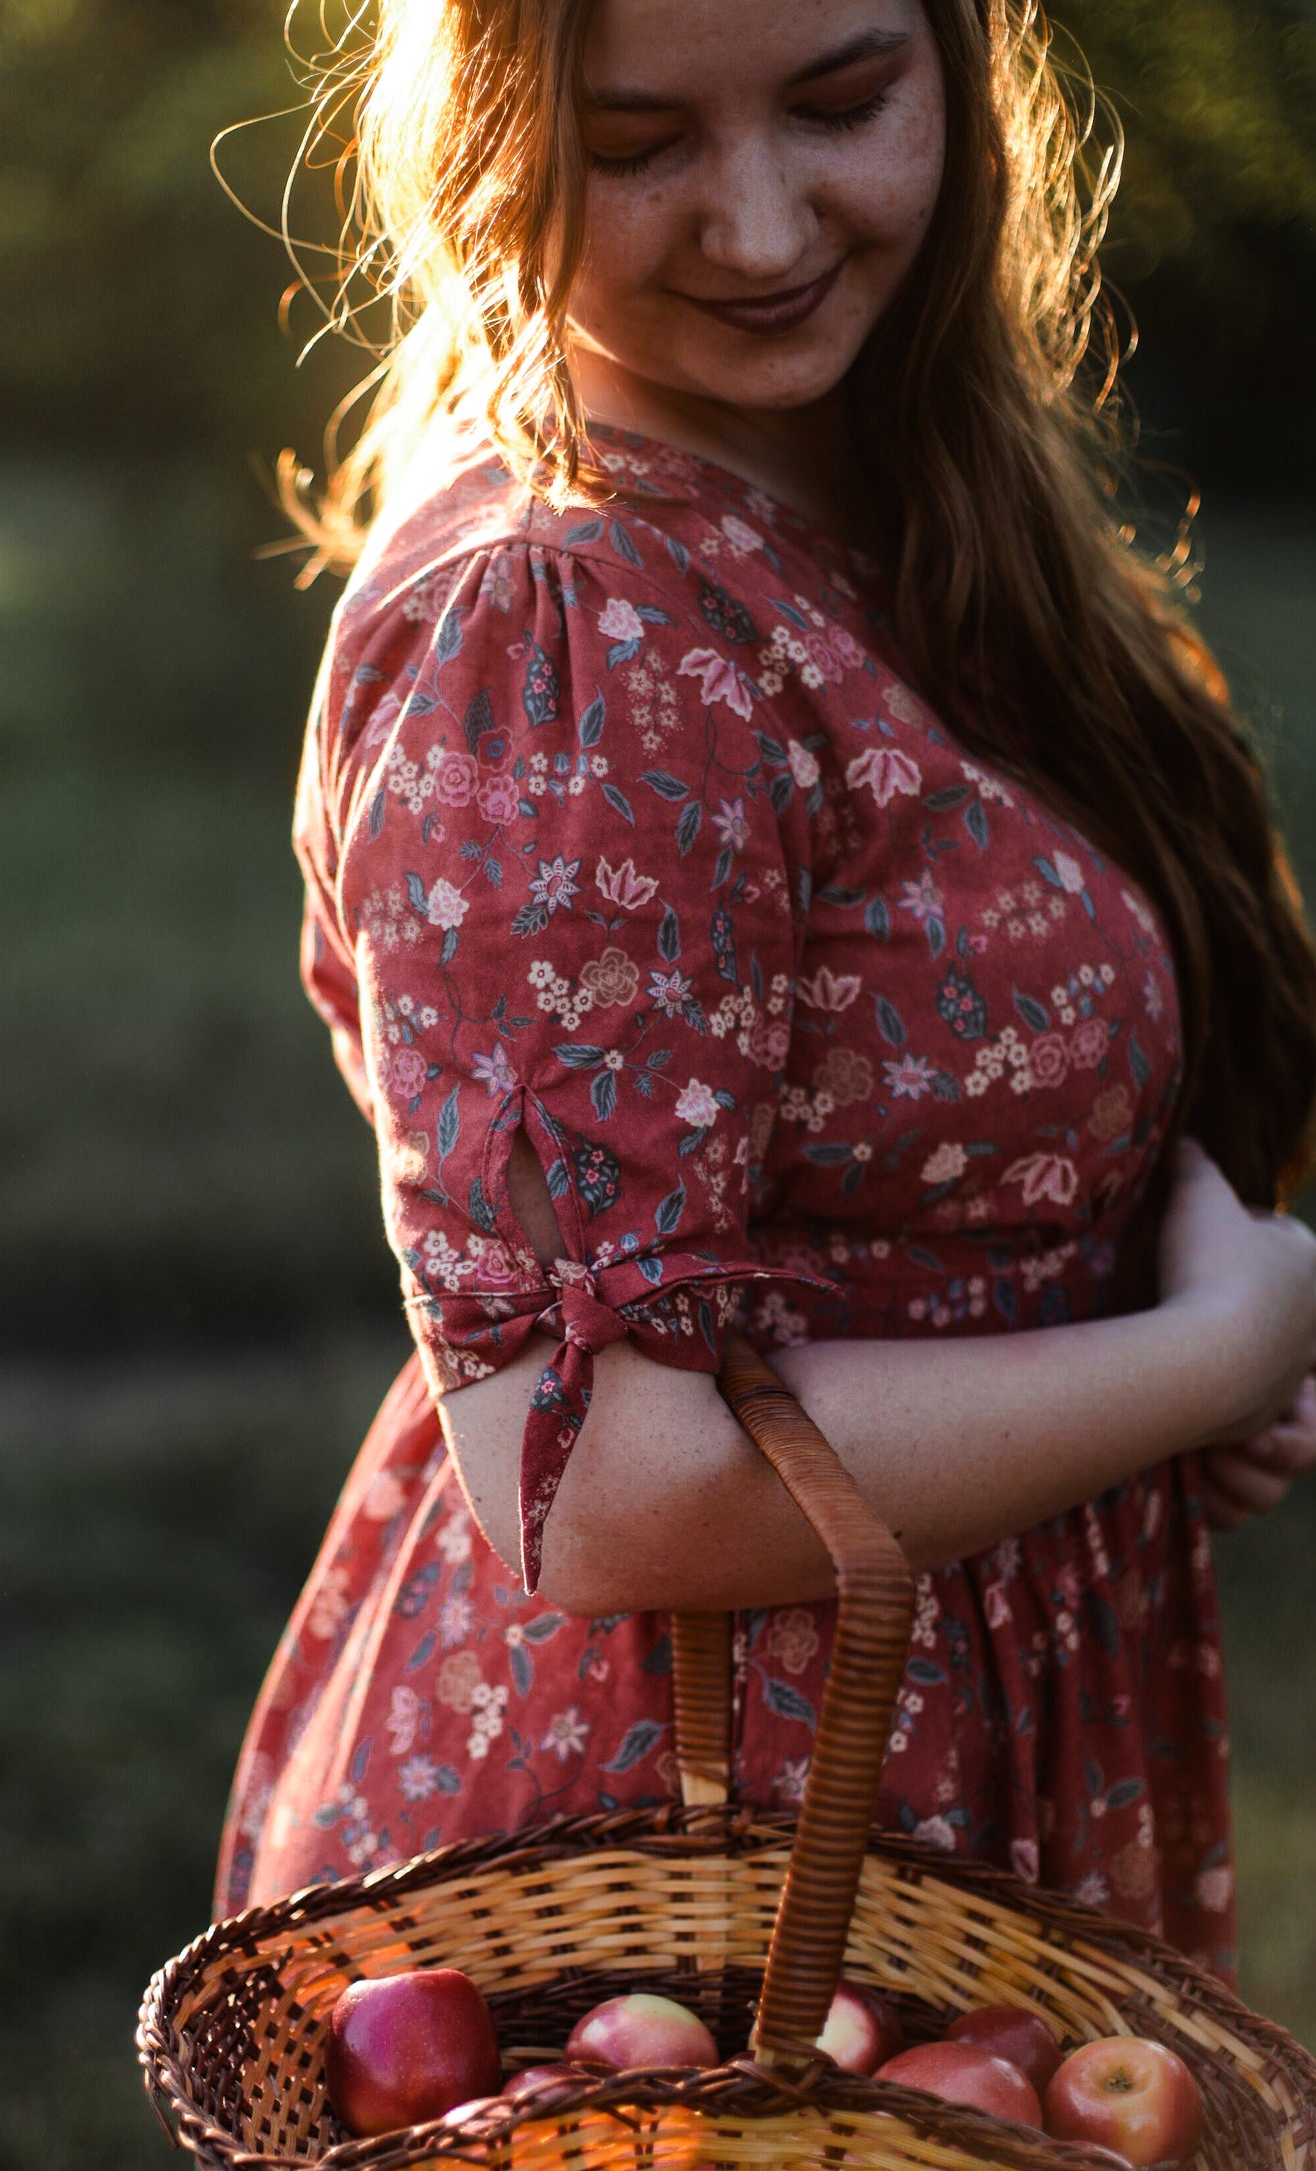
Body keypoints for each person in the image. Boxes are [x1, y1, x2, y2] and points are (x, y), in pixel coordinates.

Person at [214, 0, 1316, 1984]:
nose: (758, 227)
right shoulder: (568, 620)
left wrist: (1104, 1356)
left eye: (838, 104)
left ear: (963, 71)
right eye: (637, 144)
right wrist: (1208, 1360)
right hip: (699, 1853)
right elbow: (606, 1490)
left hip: (926, 1776)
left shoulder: (881, 495)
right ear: (491, 140)